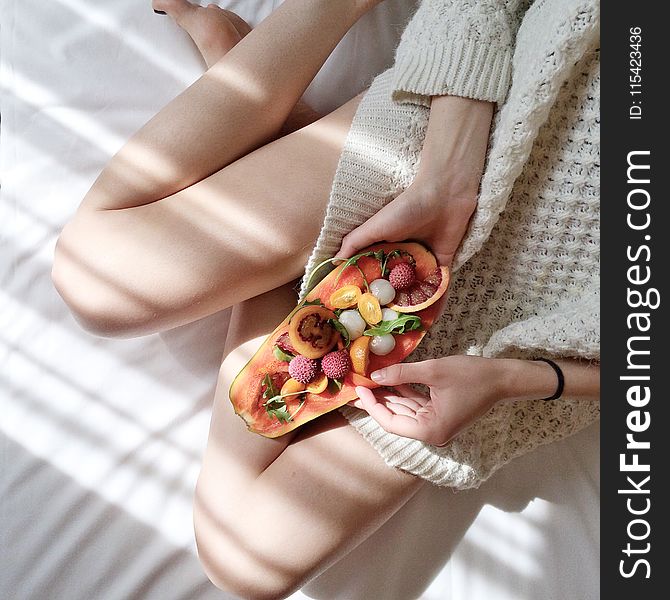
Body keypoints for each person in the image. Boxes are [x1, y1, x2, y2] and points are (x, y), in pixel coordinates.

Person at [51, 0, 600, 597]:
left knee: (246, 565)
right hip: (466, 141)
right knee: (97, 286)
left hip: (523, 335)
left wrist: (519, 378)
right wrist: (448, 178)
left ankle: (280, 172)